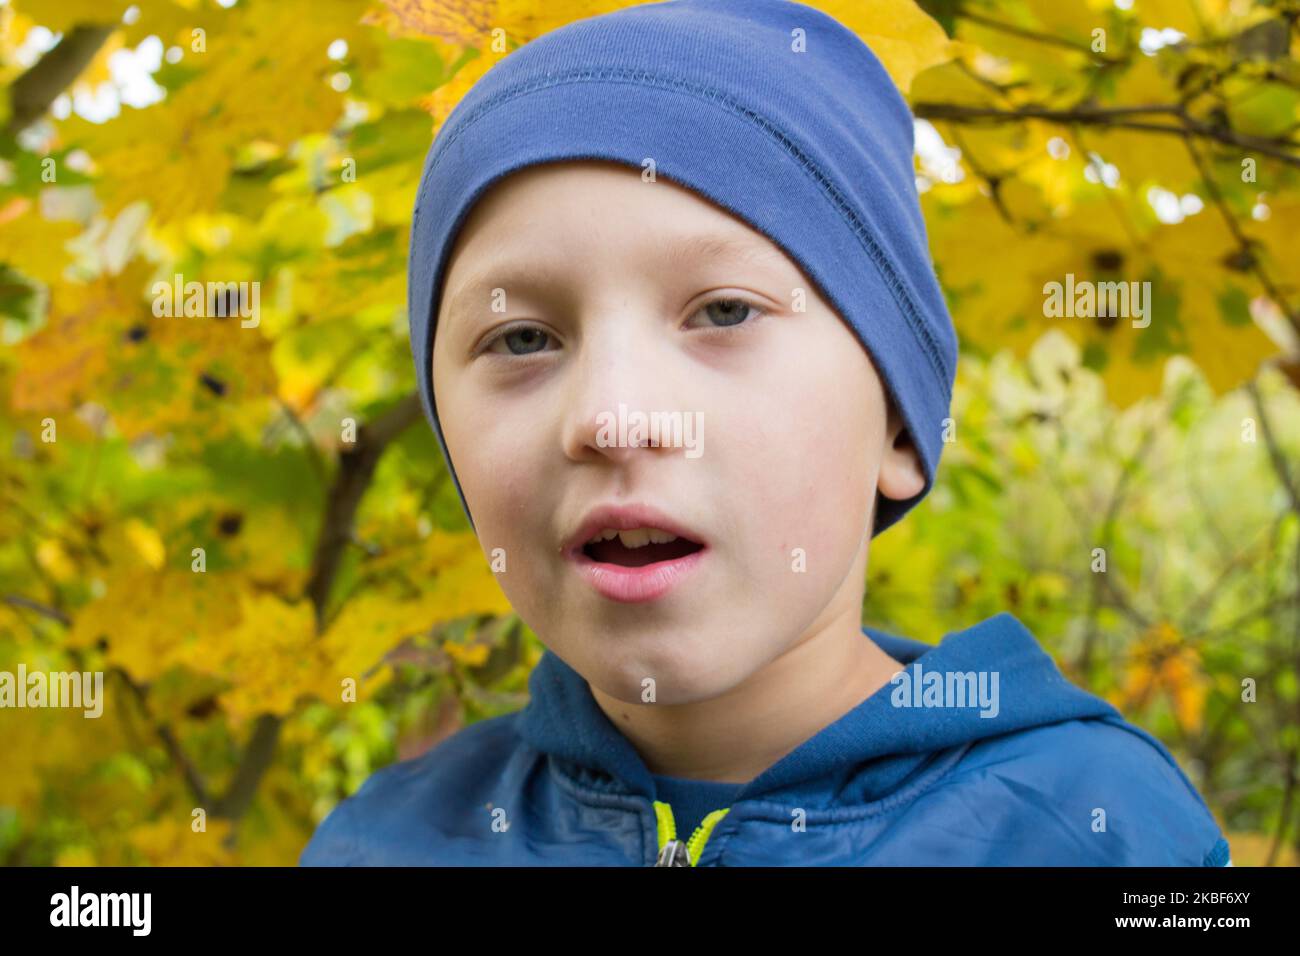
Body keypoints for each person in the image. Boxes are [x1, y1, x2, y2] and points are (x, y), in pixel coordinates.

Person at [300, 0, 1229, 866]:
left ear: (901, 426)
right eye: (523, 338)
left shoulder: (1096, 829)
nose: (614, 419)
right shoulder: (382, 842)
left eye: (725, 314)